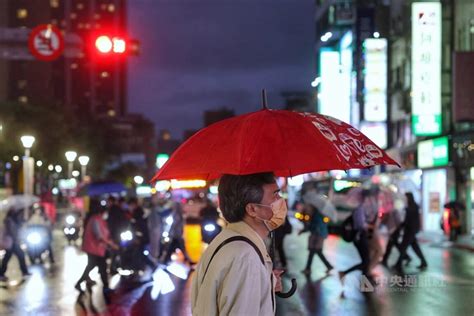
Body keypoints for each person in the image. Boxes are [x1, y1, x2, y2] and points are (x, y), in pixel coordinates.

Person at [191, 173, 285, 315]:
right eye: (275, 195)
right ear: (252, 209)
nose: (281, 201)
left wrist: (265, 282)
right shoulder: (245, 256)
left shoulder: (226, 239)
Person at [75, 200, 118, 303]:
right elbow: (99, 236)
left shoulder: (99, 220)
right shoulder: (95, 220)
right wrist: (111, 244)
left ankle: (80, 283)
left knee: (93, 267)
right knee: (100, 268)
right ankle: (106, 288)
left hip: (98, 249)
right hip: (94, 249)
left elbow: (105, 234)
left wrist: (110, 242)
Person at [338, 190, 371, 283]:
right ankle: (344, 273)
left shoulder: (361, 208)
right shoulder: (360, 208)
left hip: (360, 236)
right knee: (366, 261)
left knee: (366, 261)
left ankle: (365, 280)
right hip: (360, 237)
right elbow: (360, 225)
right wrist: (367, 225)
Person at [393, 192, 428, 273]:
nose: (405, 199)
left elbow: (411, 218)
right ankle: (423, 262)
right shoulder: (409, 206)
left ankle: (399, 263)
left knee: (403, 247)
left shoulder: (413, 206)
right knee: (415, 247)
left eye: (406, 197)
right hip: (409, 230)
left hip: (411, 230)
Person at [300, 190, 333, 275]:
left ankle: (309, 269)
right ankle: (328, 266)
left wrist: (305, 229)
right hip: (318, 235)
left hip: (318, 235)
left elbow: (316, 226)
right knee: (315, 252)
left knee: (314, 251)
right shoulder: (317, 213)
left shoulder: (317, 215)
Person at [0, 208, 30, 281]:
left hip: (12, 242)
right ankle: (24, 272)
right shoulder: (9, 220)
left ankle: (24, 272)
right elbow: (11, 231)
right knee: (14, 256)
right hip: (11, 242)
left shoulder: (13, 220)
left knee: (10, 257)